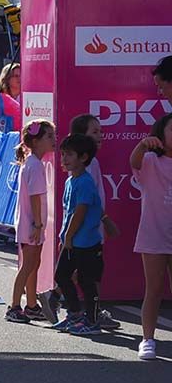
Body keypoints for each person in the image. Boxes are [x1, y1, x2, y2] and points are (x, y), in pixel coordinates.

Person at [70, 113, 121, 329]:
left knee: (84, 270)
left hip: (89, 226)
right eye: (94, 132)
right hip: (90, 227)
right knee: (91, 273)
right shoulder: (88, 164)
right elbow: (88, 201)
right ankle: (91, 312)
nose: (100, 135)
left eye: (100, 131)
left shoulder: (91, 163)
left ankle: (63, 298)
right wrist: (105, 220)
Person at [51, 134, 104, 336]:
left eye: (69, 155)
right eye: (63, 154)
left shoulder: (85, 183)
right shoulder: (70, 180)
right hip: (72, 241)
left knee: (86, 281)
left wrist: (69, 237)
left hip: (86, 242)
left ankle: (92, 321)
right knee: (62, 276)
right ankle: (74, 313)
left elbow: (80, 212)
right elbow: (68, 212)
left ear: (83, 157)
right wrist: (64, 237)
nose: (64, 159)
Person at [130, 112, 172, 360]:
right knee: (153, 289)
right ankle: (147, 339)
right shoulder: (149, 161)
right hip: (153, 235)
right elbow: (133, 162)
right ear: (161, 135)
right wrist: (143, 143)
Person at [6, 120, 55, 323]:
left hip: (31, 223)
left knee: (34, 263)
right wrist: (37, 224)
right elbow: (35, 197)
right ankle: (14, 306)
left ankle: (32, 304)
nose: (54, 140)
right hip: (31, 224)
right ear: (35, 141)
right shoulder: (34, 165)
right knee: (28, 265)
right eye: (49, 137)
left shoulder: (33, 162)